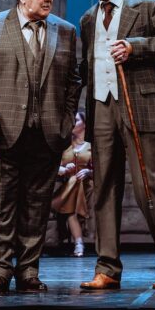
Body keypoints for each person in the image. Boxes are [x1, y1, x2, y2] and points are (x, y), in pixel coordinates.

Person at [0, 0, 81, 292]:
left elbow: (73, 82)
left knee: (37, 207)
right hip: (4, 132)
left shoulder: (65, 31)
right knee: (2, 205)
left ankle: (28, 270)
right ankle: (0, 271)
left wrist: (66, 120)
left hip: (47, 134)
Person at [76, 0, 155, 291]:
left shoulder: (147, 6)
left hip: (139, 106)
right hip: (101, 107)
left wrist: (134, 47)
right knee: (104, 190)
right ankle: (107, 268)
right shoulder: (88, 19)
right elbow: (87, 65)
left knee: (148, 188)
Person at [52, 110, 94, 257]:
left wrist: (89, 172)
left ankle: (79, 243)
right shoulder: (65, 146)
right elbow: (53, 166)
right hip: (69, 184)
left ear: (84, 124)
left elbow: (101, 168)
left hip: (88, 185)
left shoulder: (91, 145)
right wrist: (63, 169)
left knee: (74, 190)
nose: (72, 124)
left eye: (76, 121)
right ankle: (78, 243)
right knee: (73, 181)